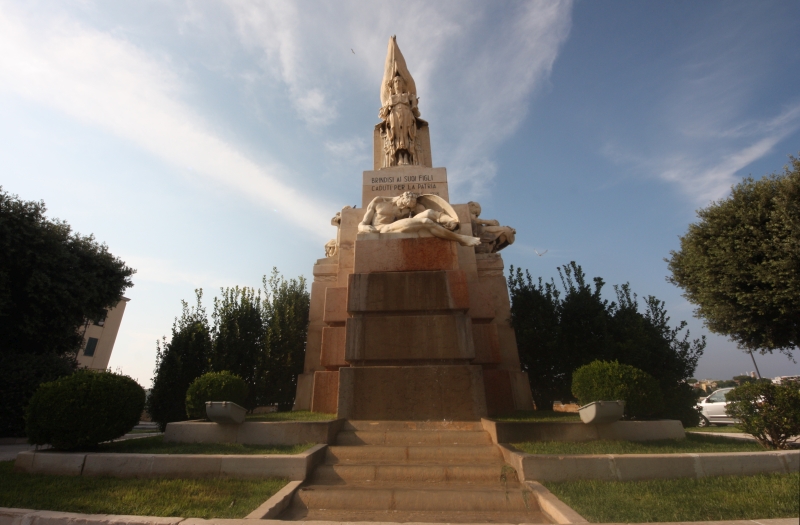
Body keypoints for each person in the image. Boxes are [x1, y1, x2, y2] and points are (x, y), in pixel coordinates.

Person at [359, 192, 481, 247]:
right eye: (404, 205)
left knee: (428, 213)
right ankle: (461, 239)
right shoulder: (379, 201)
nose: (404, 209)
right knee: (425, 222)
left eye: (407, 208)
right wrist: (365, 228)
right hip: (383, 228)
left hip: (397, 225)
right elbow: (362, 224)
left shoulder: (409, 208)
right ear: (401, 196)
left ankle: (451, 221)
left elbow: (425, 212)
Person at [379, 74, 420, 166]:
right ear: (393, 85)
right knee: (397, 137)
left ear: (403, 84)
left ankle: (407, 157)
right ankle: (399, 158)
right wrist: (386, 108)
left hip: (406, 116)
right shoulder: (391, 98)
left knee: (406, 136)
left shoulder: (407, 96)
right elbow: (383, 114)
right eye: (395, 81)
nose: (397, 83)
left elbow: (416, 111)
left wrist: (414, 102)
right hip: (394, 117)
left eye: (399, 81)